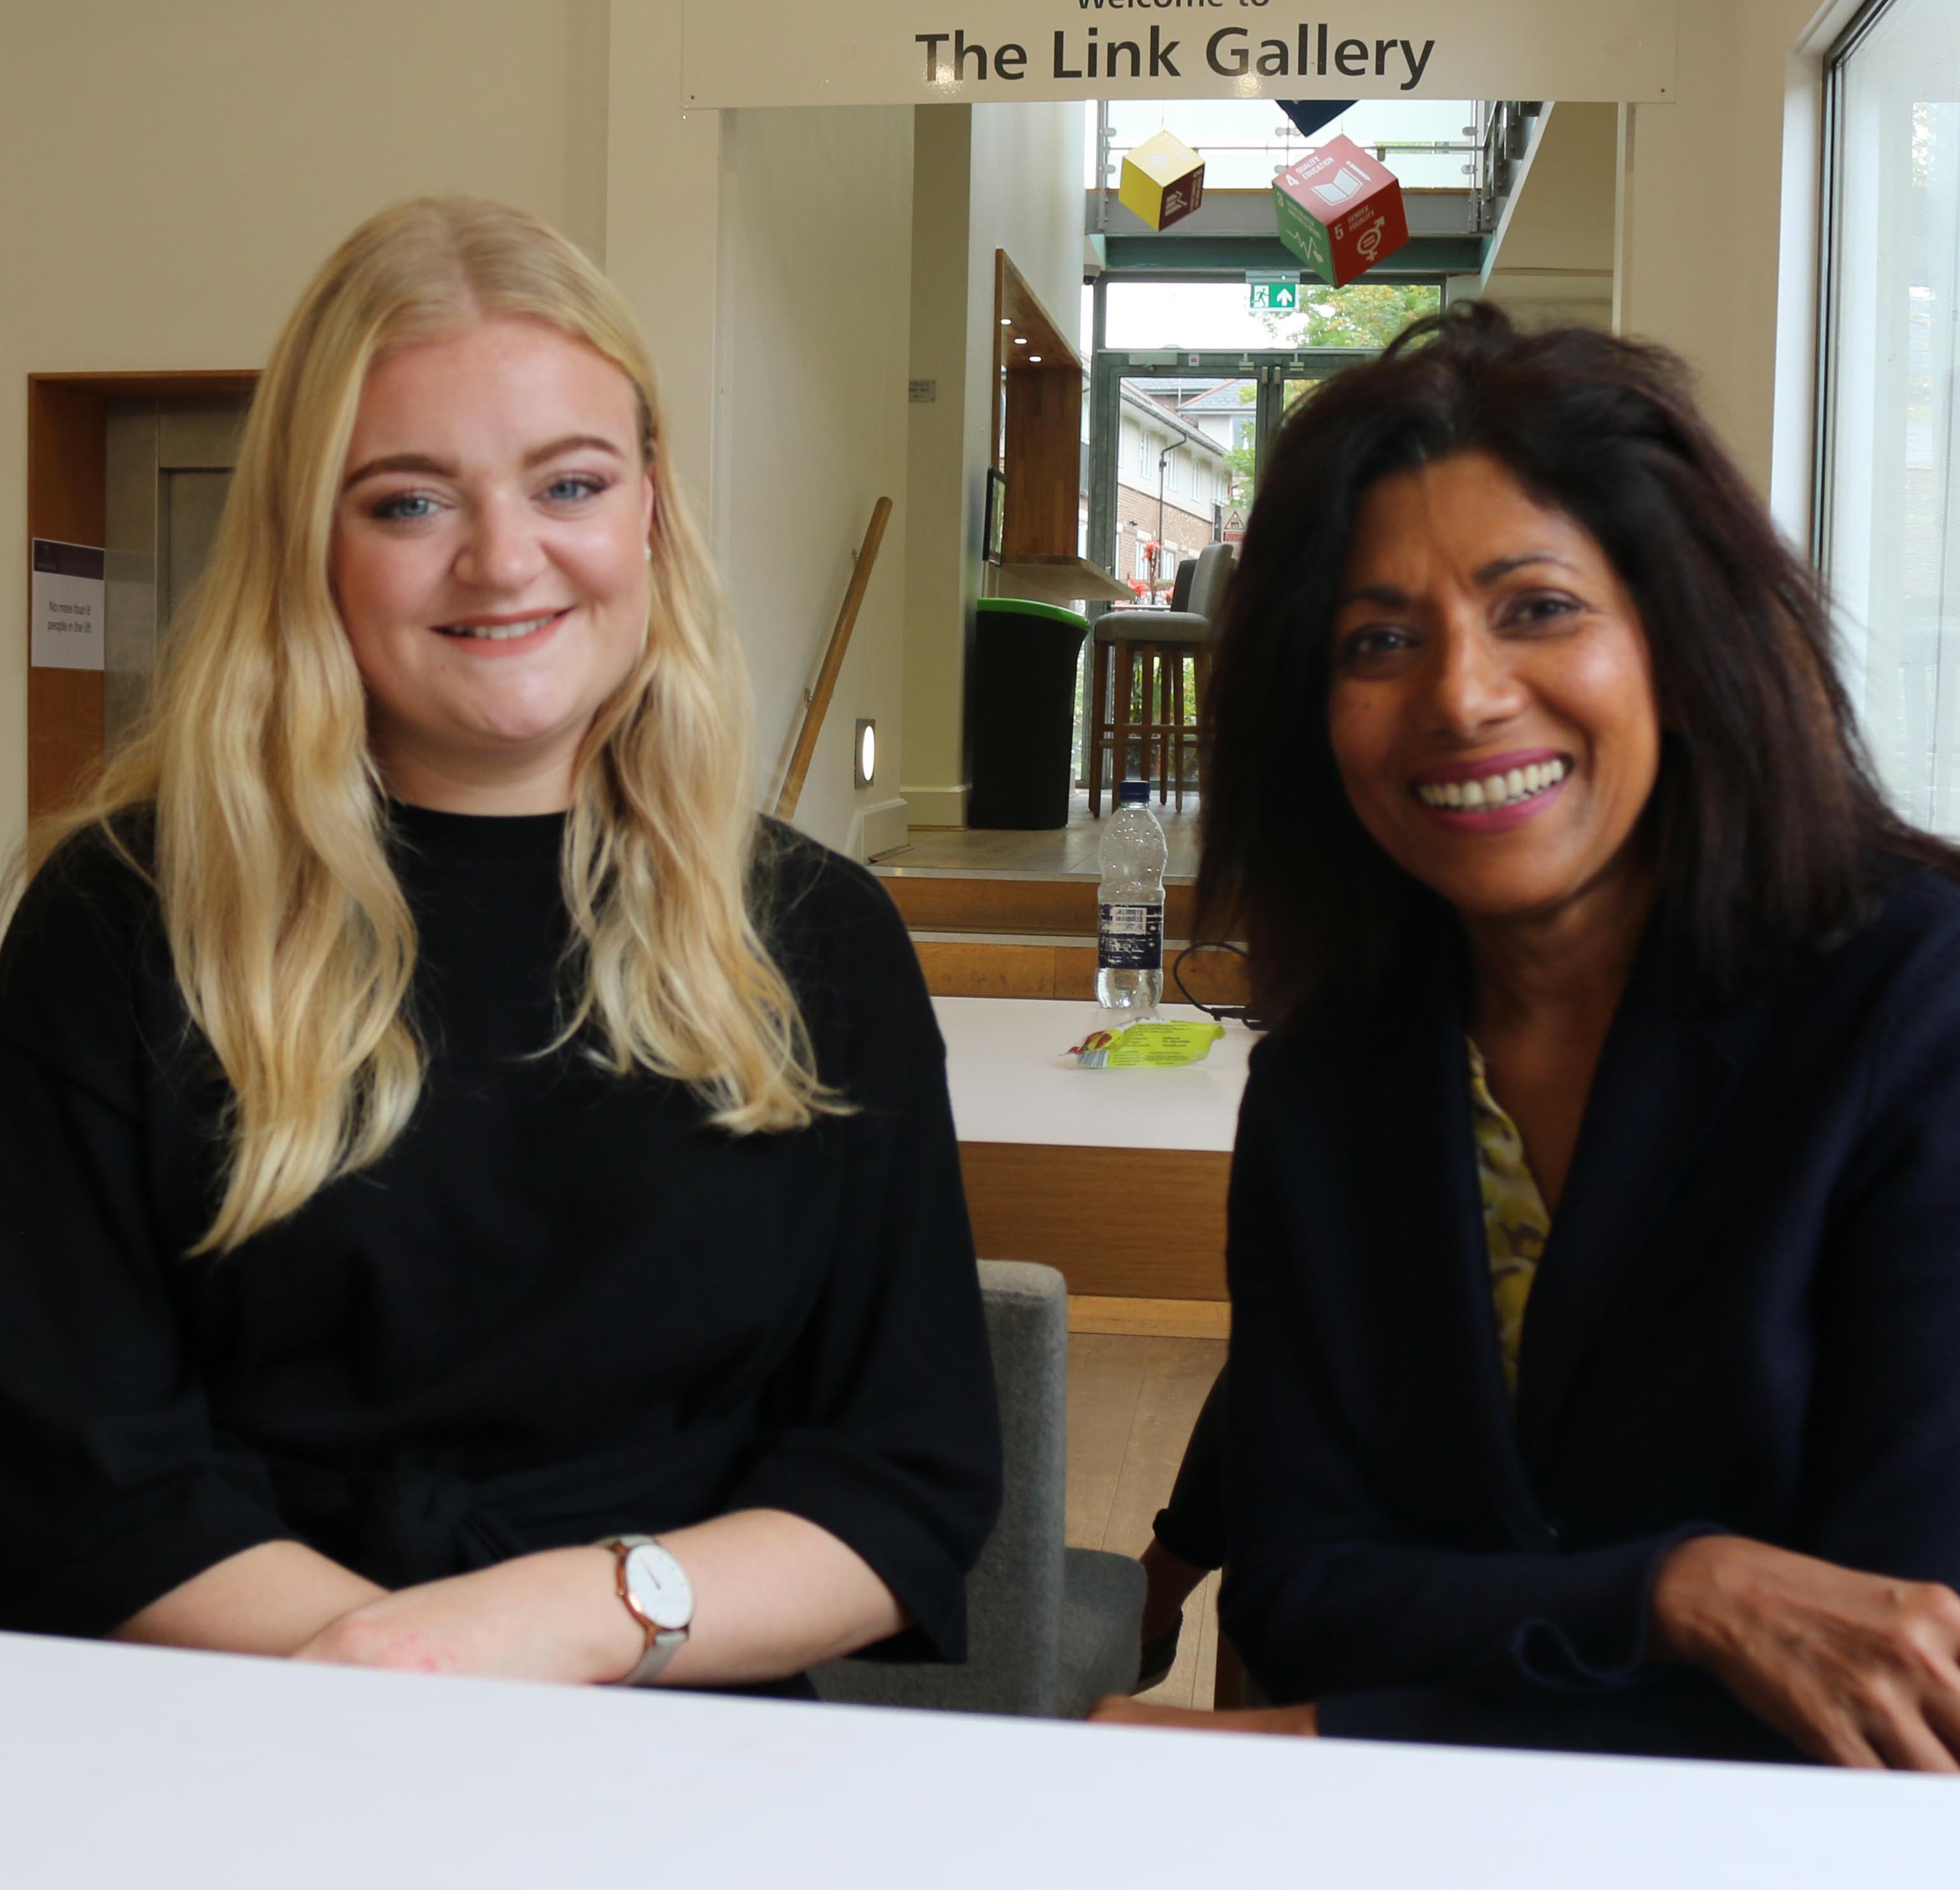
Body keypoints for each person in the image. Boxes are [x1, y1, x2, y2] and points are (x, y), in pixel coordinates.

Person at [0, 197, 1000, 1695]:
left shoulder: (818, 938)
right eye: (409, 502)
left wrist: (572, 1629)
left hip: (684, 1732)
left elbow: (903, 1478)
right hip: (221, 1722)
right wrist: (403, 1680)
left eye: (570, 485)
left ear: (650, 504)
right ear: (307, 542)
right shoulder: (118, 918)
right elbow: (81, 1471)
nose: (503, 560)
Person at [1094, 304, 1960, 1768]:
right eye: (1380, 640)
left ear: (1677, 641)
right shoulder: (1326, 1079)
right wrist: (1682, 1593)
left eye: (1537, 608)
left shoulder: (1914, 1005)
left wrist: (1339, 1734)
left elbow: (1900, 1677)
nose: (1463, 696)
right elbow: (1309, 1584)